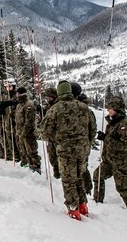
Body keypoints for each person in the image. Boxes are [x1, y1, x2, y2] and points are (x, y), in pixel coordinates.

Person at [40, 81, 92, 221]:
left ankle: (73, 209)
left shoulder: (55, 109)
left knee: (69, 180)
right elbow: (91, 129)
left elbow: (44, 132)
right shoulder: (84, 107)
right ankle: (83, 205)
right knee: (79, 177)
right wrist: (86, 144)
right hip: (82, 150)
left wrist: (56, 138)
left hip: (65, 151)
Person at [93, 96, 127, 212]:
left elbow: (123, 146)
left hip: (122, 163)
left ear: (117, 109)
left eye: (111, 109)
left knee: (123, 189)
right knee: (97, 176)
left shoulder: (125, 125)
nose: (109, 111)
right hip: (109, 161)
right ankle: (97, 202)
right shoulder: (114, 122)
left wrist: (106, 138)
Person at [71, 82, 97, 194]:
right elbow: (93, 129)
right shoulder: (85, 109)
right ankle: (86, 189)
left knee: (81, 168)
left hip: (81, 144)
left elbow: (92, 129)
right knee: (82, 167)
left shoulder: (81, 108)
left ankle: (86, 189)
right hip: (83, 144)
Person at [15, 86, 42, 173]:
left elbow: (29, 121)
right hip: (20, 133)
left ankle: (37, 168)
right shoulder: (19, 105)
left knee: (32, 152)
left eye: (19, 94)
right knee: (25, 152)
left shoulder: (29, 105)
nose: (18, 95)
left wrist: (23, 133)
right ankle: (31, 168)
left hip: (28, 134)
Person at [42, 87, 60, 179]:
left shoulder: (57, 106)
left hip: (57, 137)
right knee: (52, 158)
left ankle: (59, 174)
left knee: (59, 157)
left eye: (50, 97)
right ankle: (56, 174)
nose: (48, 99)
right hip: (50, 137)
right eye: (47, 97)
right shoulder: (49, 105)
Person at [3, 79, 21, 163]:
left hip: (16, 123)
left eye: (9, 86)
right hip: (7, 122)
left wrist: (13, 114)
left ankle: (21, 157)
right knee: (10, 141)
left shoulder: (16, 96)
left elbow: (19, 109)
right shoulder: (6, 96)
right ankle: (15, 156)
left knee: (17, 141)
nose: (8, 88)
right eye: (6, 87)